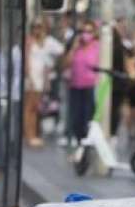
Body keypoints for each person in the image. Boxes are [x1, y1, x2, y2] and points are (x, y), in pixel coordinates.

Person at [24, 19, 64, 147]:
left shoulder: (45, 42)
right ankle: (29, 135)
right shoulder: (29, 41)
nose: (37, 30)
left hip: (40, 77)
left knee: (36, 108)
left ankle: (34, 134)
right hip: (32, 77)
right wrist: (29, 78)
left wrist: (46, 80)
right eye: (35, 27)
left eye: (40, 27)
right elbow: (26, 60)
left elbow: (46, 62)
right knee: (29, 108)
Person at [64, 20, 100, 145]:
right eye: (83, 31)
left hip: (90, 85)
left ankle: (86, 141)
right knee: (76, 116)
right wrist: (74, 47)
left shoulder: (97, 46)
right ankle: (78, 139)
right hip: (75, 85)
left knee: (87, 115)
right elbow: (66, 63)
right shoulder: (77, 47)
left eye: (89, 31)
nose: (86, 34)